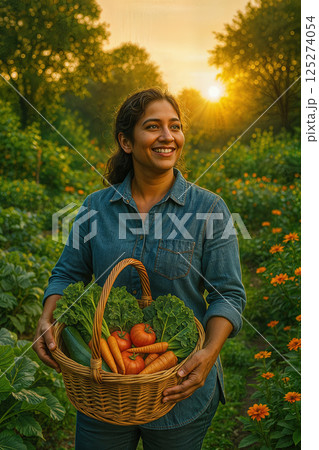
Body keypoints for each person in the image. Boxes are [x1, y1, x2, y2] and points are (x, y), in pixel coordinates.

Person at [33, 88, 246, 450]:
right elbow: (68, 273)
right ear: (126, 142)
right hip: (104, 388)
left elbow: (228, 294)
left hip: (179, 386)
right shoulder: (95, 207)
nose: (168, 137)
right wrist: (48, 316)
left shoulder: (210, 209)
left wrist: (208, 352)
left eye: (175, 126)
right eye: (153, 127)